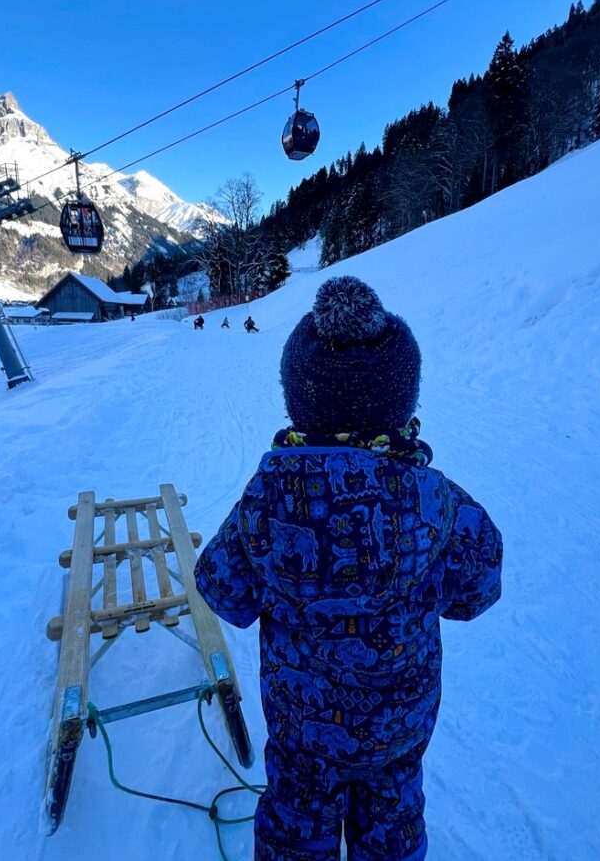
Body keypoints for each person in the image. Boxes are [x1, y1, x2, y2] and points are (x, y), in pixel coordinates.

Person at [195, 276, 502, 860]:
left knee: (295, 829)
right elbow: (478, 591)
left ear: (300, 398)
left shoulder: (267, 497)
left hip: (303, 736)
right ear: (402, 400)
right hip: (399, 730)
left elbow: (223, 593)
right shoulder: (438, 501)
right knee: (394, 828)